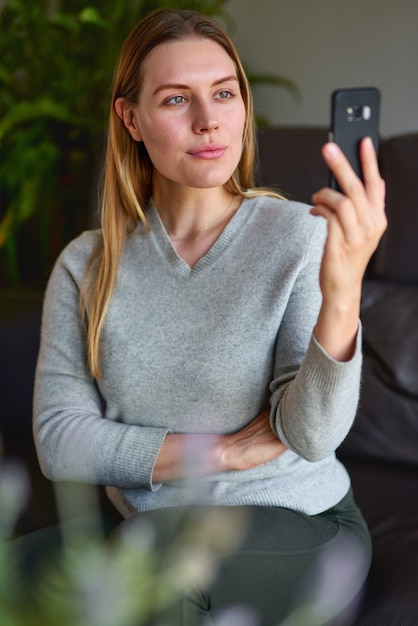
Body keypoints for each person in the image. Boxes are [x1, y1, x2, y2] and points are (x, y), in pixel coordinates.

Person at [33, 7, 387, 625]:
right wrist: (218, 453)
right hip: (154, 530)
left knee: (158, 575)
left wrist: (343, 294)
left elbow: (308, 437)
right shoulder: (85, 265)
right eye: (176, 100)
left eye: (224, 93)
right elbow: (62, 443)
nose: (208, 121)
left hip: (296, 523)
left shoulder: (301, 237)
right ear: (131, 119)